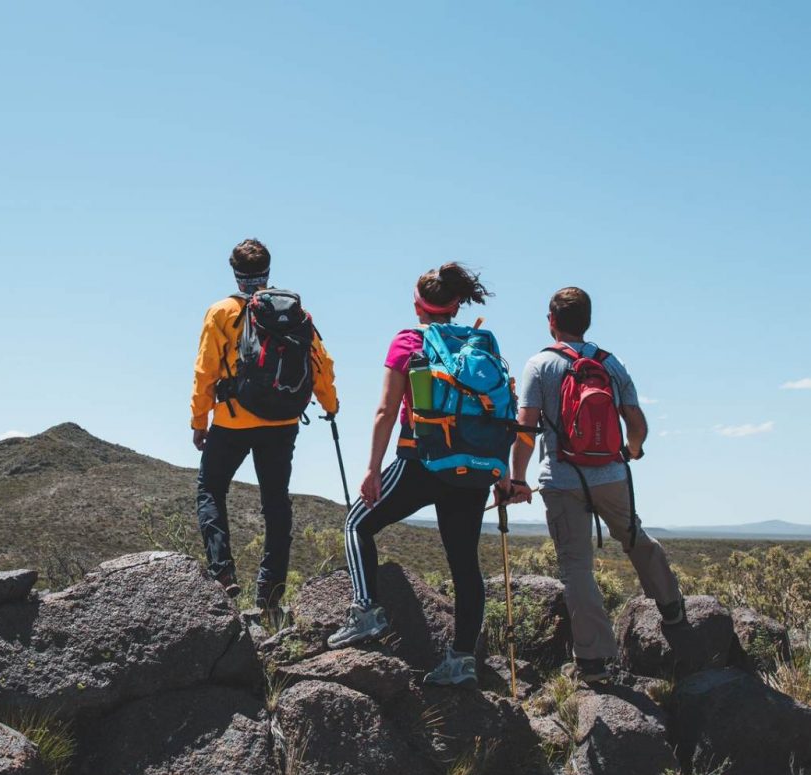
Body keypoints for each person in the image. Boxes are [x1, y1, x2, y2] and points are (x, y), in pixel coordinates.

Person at [328, 263, 507, 689]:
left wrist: (372, 468)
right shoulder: (479, 343)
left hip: (422, 461)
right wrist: (504, 474)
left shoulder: (409, 340)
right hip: (474, 469)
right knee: (465, 563)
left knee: (356, 523)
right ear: (455, 305)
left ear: (418, 304)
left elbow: (386, 410)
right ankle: (462, 660)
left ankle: (365, 612)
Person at [501, 286, 684, 682]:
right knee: (632, 534)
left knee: (576, 566)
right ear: (587, 321)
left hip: (561, 480)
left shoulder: (539, 365)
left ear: (551, 321)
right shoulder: (610, 364)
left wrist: (518, 479)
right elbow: (635, 421)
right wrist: (632, 450)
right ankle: (671, 606)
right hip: (611, 474)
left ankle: (594, 660)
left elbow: (526, 429)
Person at [190, 238, 339, 611]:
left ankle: (223, 574)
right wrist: (330, 405)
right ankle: (270, 592)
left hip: (233, 419)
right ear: (268, 272)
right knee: (275, 502)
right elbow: (321, 362)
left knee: (210, 490)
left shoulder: (221, 312)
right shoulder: (295, 314)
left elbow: (205, 371)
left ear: (236, 275)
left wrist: (199, 421)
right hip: (282, 421)